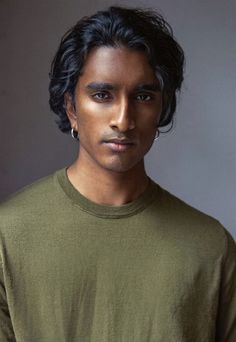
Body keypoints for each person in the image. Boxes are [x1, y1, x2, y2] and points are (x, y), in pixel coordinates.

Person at [0, 5, 235, 342]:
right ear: (71, 108)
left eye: (143, 95)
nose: (123, 120)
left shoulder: (211, 247)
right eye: (102, 95)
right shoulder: (7, 237)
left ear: (162, 108)